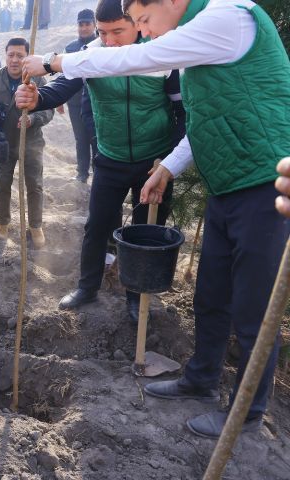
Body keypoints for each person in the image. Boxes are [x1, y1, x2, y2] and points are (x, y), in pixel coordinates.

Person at [26, 0, 290, 439]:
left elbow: (140, 58)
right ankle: (200, 380)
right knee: (211, 296)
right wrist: (168, 166)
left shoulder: (227, 17)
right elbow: (203, 120)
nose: (145, 31)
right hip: (228, 186)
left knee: (253, 311)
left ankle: (246, 414)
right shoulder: (200, 36)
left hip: (265, 185)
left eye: (143, 20)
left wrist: (54, 61)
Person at [16, 0, 185, 322]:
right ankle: (87, 287)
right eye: (102, 32)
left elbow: (182, 112)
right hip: (111, 158)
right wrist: (36, 98)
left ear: (136, 22)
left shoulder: (162, 54)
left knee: (146, 231)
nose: (109, 41)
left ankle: (136, 296)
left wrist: (167, 162)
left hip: (155, 163)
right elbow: (60, 88)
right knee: (97, 225)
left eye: (117, 31)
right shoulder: (91, 54)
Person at [0, 38, 53, 249]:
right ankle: (3, 224)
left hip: (32, 142)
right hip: (4, 142)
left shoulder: (36, 80)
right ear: (6, 55)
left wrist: (33, 119)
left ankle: (35, 226)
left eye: (20, 55)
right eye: (11, 55)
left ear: (27, 57)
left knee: (35, 185)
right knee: (2, 184)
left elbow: (49, 110)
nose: (15, 60)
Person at [64, 8, 97, 183]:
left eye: (87, 24)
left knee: (97, 138)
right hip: (75, 101)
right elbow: (64, 74)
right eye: (81, 24)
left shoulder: (101, 45)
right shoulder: (70, 48)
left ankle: (98, 172)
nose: (84, 28)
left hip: (98, 101)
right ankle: (82, 172)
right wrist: (60, 100)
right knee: (81, 138)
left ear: (94, 24)